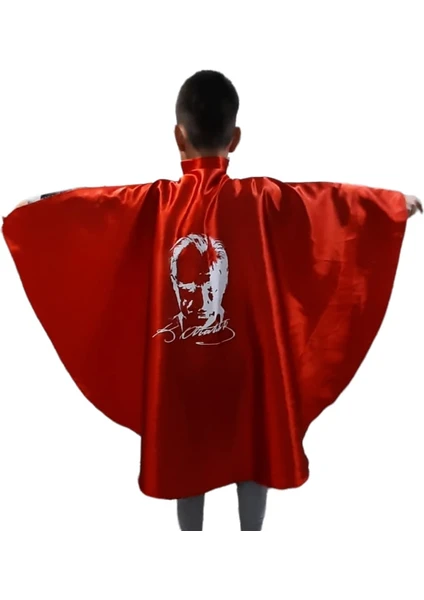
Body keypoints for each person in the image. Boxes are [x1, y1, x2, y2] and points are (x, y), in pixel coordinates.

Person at [2, 70, 422, 532]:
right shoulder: (261, 198)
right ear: (235, 138)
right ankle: (250, 540)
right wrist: (390, 205)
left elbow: (96, 209)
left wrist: (38, 209)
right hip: (249, 365)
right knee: (253, 441)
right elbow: (327, 205)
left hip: (179, 370)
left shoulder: (157, 203)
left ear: (177, 136)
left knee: (187, 454)